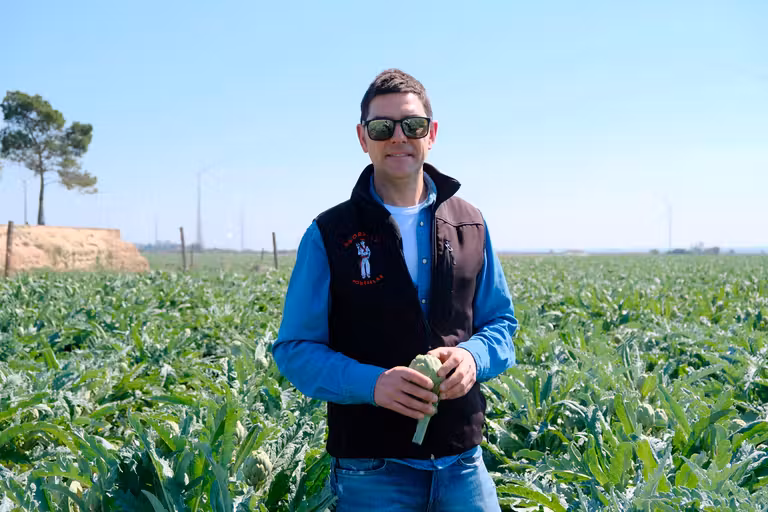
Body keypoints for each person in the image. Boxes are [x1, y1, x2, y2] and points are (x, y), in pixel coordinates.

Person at [273, 69, 518, 511]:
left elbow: (501, 323)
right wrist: (373, 384)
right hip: (372, 469)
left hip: (463, 462)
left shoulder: (470, 223)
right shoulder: (328, 233)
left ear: (432, 134)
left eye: (413, 125)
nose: (399, 137)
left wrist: (472, 358)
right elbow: (296, 349)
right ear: (362, 138)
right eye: (382, 127)